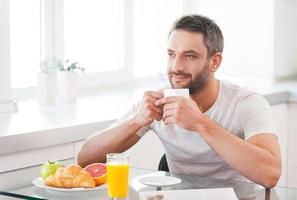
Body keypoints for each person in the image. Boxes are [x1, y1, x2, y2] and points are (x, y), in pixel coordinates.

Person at [78, 14, 281, 188]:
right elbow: (85, 159)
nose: (176, 66)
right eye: (171, 54)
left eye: (190, 56)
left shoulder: (245, 102)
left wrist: (201, 123)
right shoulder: (158, 100)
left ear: (215, 61)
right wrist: (136, 120)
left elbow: (270, 175)